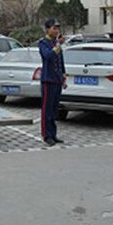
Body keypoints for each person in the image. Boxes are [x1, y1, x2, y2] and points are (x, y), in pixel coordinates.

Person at [38, 18, 67, 146]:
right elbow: (48, 56)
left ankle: (53, 134)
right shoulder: (43, 43)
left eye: (57, 28)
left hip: (57, 80)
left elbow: (61, 61)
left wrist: (63, 77)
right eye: (54, 28)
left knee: (54, 109)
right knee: (47, 109)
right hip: (48, 80)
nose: (56, 31)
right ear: (47, 29)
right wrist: (58, 45)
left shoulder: (56, 43)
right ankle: (46, 135)